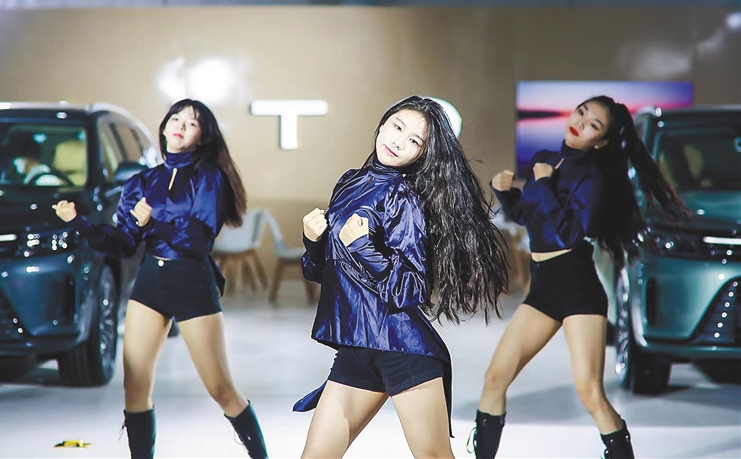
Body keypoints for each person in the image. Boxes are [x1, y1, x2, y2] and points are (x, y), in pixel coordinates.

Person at [471, 96, 690, 459]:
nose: (580, 122)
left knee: (589, 393)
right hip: (543, 288)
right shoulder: (546, 159)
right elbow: (528, 216)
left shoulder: (592, 177)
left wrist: (544, 185)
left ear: (601, 141)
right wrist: (505, 193)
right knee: (495, 378)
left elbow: (571, 232)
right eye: (582, 112)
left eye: (593, 125)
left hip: (578, 289)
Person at [295, 95, 510, 458]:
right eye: (397, 127)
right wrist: (313, 242)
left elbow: (411, 287)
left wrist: (363, 247)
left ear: (422, 154)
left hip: (401, 348)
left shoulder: (403, 198)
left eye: (414, 140)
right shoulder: (349, 182)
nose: (398, 141)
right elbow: (324, 272)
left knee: (434, 456)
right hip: (357, 346)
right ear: (382, 124)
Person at [52, 99, 268, 459]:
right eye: (176, 118)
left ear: (203, 137)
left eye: (192, 123)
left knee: (220, 388)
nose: (181, 125)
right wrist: (79, 223)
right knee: (135, 387)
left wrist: (154, 223)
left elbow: (198, 240)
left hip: (192, 283)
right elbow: (123, 244)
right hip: (150, 284)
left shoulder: (209, 177)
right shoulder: (141, 182)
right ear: (165, 126)